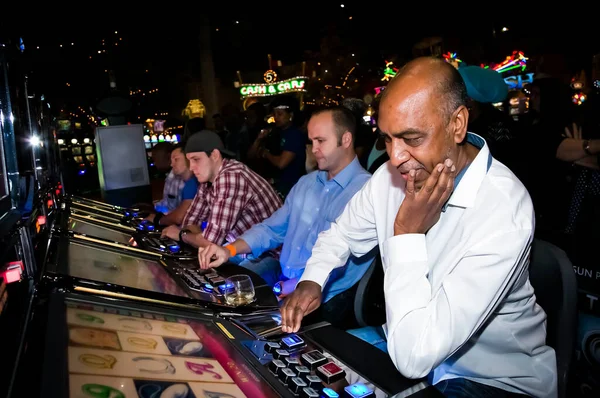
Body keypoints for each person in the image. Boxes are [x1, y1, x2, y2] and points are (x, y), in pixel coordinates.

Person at [280, 57, 557, 397]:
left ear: (457, 124)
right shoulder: (389, 178)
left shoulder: (503, 208)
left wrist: (406, 234)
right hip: (405, 345)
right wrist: (313, 278)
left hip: (494, 379)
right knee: (302, 362)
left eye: (411, 138)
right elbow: (341, 234)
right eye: (387, 139)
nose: (395, 157)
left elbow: (415, 356)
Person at [198, 107, 375, 325]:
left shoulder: (367, 191)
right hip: (284, 279)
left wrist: (303, 283)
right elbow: (272, 228)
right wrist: (229, 249)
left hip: (327, 295)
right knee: (224, 305)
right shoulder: (306, 183)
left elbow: (348, 264)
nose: (314, 149)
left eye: (321, 141)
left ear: (346, 139)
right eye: (311, 142)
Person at [161, 131, 282, 249]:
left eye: (196, 159)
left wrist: (183, 235)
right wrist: (193, 237)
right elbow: (191, 220)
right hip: (244, 250)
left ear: (214, 155)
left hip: (271, 253)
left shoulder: (231, 177)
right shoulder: (207, 179)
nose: (191, 167)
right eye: (189, 161)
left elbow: (211, 241)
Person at [144, 145, 198, 227]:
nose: (172, 164)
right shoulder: (188, 181)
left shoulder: (193, 182)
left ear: (188, 159)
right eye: (172, 160)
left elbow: (179, 218)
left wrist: (157, 220)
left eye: (176, 160)